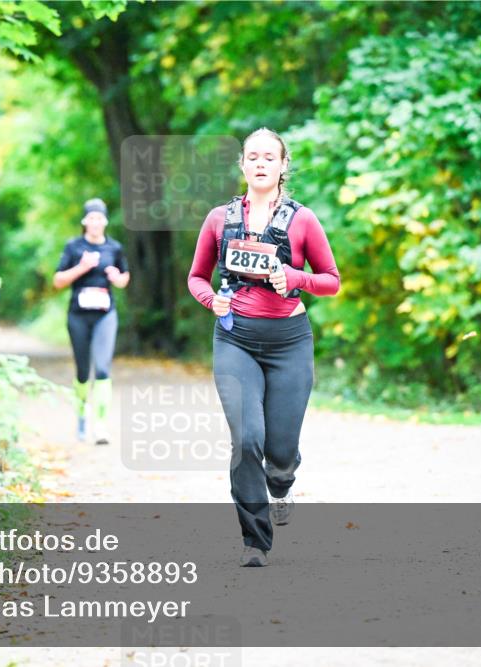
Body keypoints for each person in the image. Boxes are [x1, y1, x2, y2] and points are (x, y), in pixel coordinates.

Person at [187, 127, 341, 567]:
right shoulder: (219, 219)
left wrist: (294, 277)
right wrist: (211, 300)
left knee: (280, 450)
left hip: (289, 342)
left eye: (269, 157)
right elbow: (196, 277)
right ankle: (255, 541)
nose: (260, 163)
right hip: (235, 339)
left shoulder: (303, 220)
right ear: (242, 164)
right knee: (247, 438)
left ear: (282, 165)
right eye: (252, 156)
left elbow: (331, 280)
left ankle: (282, 480)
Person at [53, 198, 130, 444]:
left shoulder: (114, 248)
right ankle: (81, 416)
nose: (95, 223)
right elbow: (57, 281)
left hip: (105, 315)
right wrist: (82, 267)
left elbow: (124, 278)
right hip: (78, 315)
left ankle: (101, 426)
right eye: (91, 218)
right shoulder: (74, 247)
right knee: (83, 371)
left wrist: (117, 278)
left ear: (105, 222)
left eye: (99, 218)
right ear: (85, 221)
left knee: (103, 368)